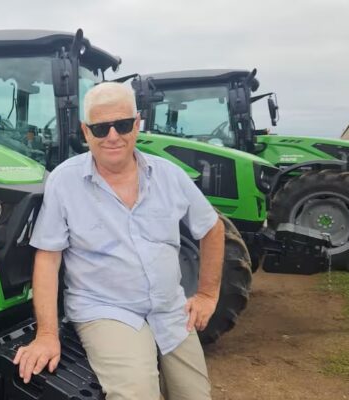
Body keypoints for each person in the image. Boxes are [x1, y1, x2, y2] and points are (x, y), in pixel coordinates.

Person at [13, 82, 224, 400]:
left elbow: (212, 228)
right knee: (138, 394)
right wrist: (46, 334)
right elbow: (48, 257)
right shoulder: (65, 182)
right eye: (101, 128)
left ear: (137, 124)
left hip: (169, 308)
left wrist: (207, 294)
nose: (112, 136)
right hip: (106, 308)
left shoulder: (170, 176)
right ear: (86, 132)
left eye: (122, 125)